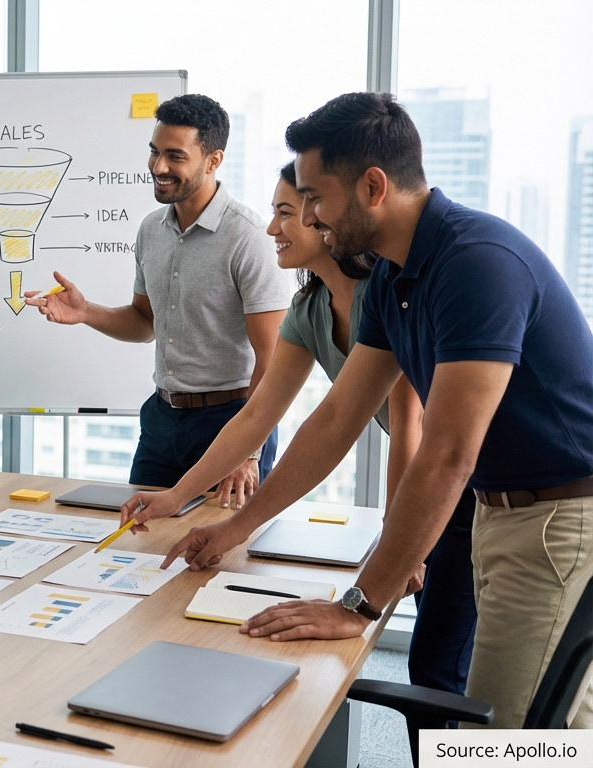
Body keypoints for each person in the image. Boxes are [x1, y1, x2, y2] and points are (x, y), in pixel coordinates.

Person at [165, 91, 593, 732]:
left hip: (557, 518)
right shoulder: (396, 275)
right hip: (503, 511)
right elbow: (336, 420)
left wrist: (361, 605)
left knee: (510, 739)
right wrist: (234, 528)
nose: (307, 214)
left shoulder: (475, 263)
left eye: (314, 197)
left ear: (371, 186)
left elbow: (447, 450)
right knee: (548, 724)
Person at [127, 163, 477, 741]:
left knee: (438, 671)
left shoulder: (382, 295)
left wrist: (400, 539)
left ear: (326, 220)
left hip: (456, 491)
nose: (273, 228)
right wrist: (179, 497)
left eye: (289, 212)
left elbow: (412, 426)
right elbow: (259, 414)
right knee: (435, 668)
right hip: (432, 486)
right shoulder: (309, 309)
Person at [26, 94, 294, 500]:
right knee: (136, 541)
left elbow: (272, 360)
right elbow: (144, 323)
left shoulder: (249, 238)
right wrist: (86, 313)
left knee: (216, 554)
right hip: (161, 419)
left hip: (229, 422)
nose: (158, 167)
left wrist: (247, 451)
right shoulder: (152, 229)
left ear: (213, 160)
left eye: (175, 156)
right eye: (154, 152)